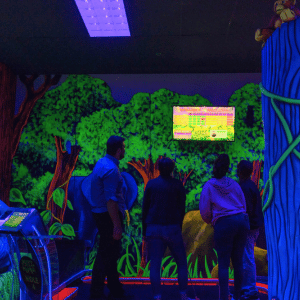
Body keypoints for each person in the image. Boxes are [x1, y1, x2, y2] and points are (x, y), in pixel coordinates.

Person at [199, 154, 250, 300]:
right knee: (238, 261)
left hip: (224, 224)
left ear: (214, 167)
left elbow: (205, 211)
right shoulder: (234, 184)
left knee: (223, 264)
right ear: (227, 168)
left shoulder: (209, 185)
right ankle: (238, 296)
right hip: (241, 221)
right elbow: (243, 205)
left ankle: (224, 297)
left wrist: (212, 221)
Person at [142, 157, 194, 300]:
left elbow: (145, 209)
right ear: (172, 169)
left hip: (153, 228)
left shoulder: (151, 185)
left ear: (158, 168)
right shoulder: (177, 185)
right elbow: (182, 208)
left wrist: (144, 232)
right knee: (182, 263)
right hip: (172, 228)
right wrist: (179, 226)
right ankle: (183, 295)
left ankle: (157, 297)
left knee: (155, 265)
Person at [88, 136, 126, 300]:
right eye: (124, 148)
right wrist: (116, 225)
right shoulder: (111, 169)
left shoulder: (102, 163)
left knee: (109, 253)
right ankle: (96, 292)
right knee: (106, 254)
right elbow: (111, 200)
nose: (125, 150)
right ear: (118, 150)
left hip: (101, 214)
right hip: (108, 216)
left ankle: (114, 288)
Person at [237, 160, 264, 300]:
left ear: (240, 171)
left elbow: (246, 211)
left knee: (247, 257)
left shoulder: (244, 187)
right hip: (253, 226)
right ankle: (247, 288)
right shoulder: (251, 185)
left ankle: (251, 289)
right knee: (247, 256)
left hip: (248, 228)